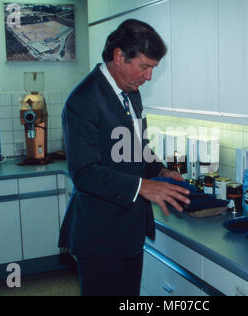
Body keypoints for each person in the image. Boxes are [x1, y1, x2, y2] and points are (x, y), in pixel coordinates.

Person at [59, 19, 191, 296]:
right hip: (100, 234)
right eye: (145, 67)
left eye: (153, 68)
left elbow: (137, 146)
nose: (149, 77)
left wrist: (160, 170)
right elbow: (84, 173)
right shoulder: (83, 100)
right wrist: (144, 186)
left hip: (130, 231)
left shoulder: (132, 95)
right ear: (119, 56)